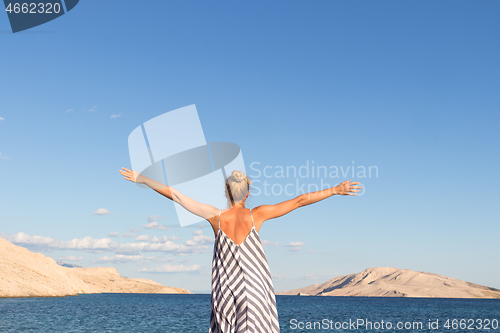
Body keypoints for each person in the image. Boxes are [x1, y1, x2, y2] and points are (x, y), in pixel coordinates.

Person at [119, 167, 361, 333]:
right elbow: (298, 201)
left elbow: (178, 197)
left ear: (227, 192)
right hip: (254, 293)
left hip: (225, 292)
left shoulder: (215, 216)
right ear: (247, 192)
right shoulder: (258, 215)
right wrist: (335, 190)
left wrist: (144, 179)